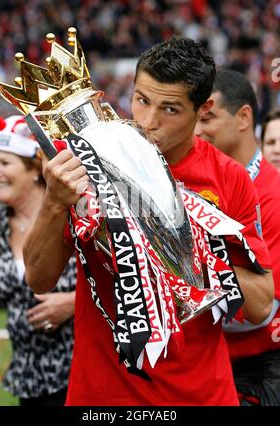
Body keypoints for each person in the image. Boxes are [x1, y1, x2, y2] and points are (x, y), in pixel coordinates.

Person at [23, 36, 274, 406]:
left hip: (203, 393)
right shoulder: (87, 163)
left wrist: (185, 239)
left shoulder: (227, 177)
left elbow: (260, 305)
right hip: (104, 394)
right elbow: (39, 279)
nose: (149, 121)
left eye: (170, 109)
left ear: (202, 110)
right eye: (141, 100)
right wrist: (54, 202)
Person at [0, 107, 77, 406]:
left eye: (4, 163)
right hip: (29, 374)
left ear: (35, 169)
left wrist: (74, 302)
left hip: (76, 369)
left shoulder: (73, 213)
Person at [195, 69, 280, 405]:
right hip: (209, 365)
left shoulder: (272, 194)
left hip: (258, 372)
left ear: (244, 117)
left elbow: (264, 308)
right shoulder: (201, 184)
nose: (196, 131)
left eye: (208, 118)